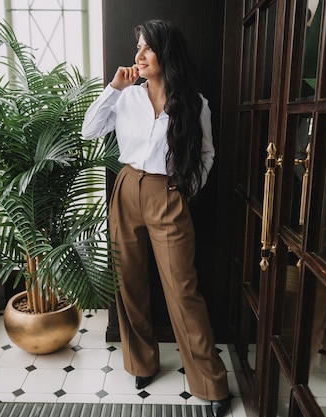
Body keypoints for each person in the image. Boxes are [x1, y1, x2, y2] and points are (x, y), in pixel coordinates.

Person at [81, 19, 230, 417]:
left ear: (167, 53)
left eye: (147, 48)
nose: (139, 56)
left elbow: (206, 154)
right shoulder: (126, 98)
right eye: (138, 48)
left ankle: (210, 383)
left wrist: (186, 189)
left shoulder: (194, 104)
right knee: (129, 282)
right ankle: (141, 363)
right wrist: (113, 88)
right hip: (127, 188)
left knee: (183, 289)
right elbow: (88, 131)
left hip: (168, 193)